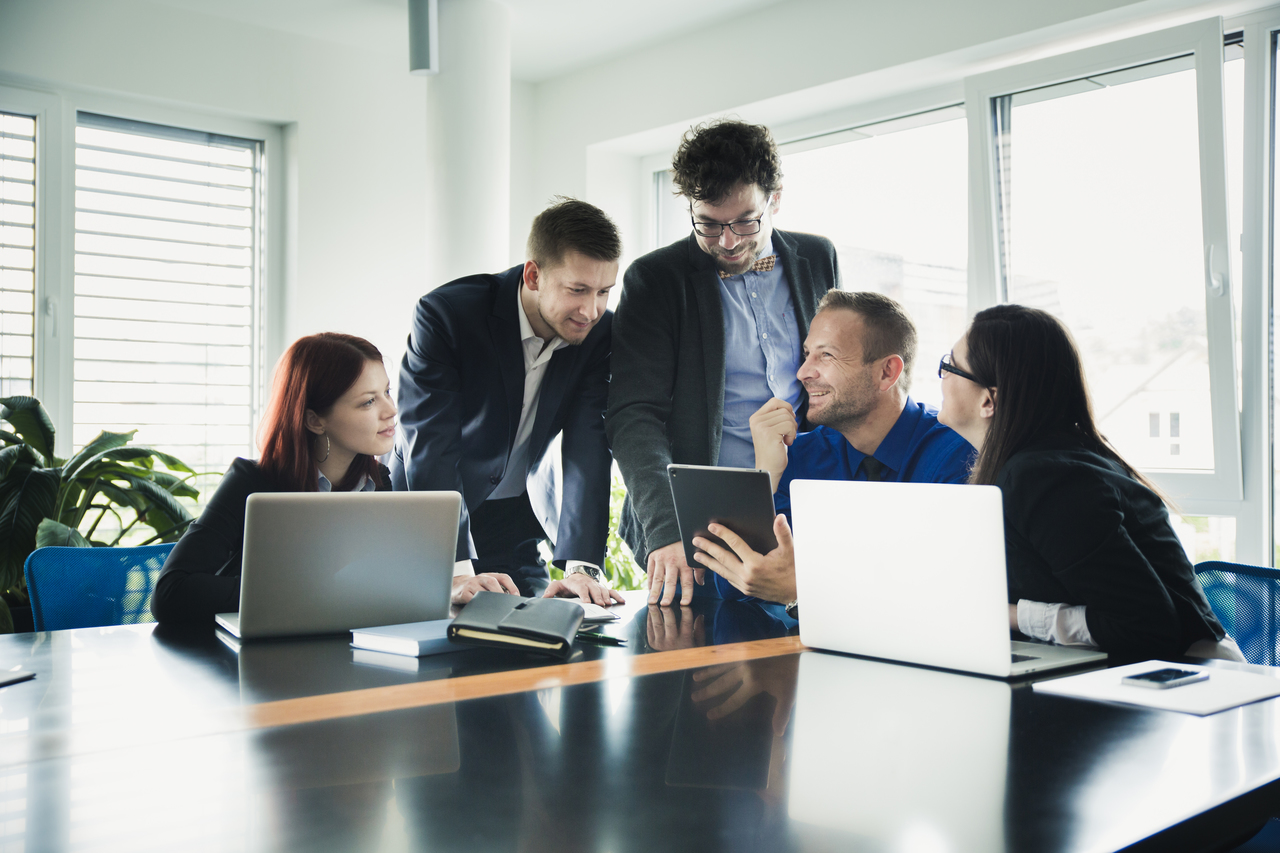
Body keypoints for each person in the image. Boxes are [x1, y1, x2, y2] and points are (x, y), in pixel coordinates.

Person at [608, 119, 839, 607]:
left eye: (745, 222)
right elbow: (634, 413)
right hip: (698, 520)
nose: (728, 242)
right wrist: (667, 529)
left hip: (809, 507)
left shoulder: (818, 256)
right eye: (709, 225)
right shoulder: (655, 280)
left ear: (775, 198)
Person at [936, 304, 1242, 661]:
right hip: (1129, 674)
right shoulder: (1042, 463)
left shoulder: (1045, 478)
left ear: (989, 399)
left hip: (1191, 680)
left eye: (950, 365)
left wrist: (1011, 614)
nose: (941, 375)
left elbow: (1147, 628)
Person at [391, 198, 624, 605]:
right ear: (534, 275)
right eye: (578, 290)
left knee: (537, 641)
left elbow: (588, 440)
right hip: (430, 514)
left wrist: (583, 567)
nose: (592, 310)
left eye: (604, 291)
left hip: (514, 519)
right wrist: (455, 568)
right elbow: (430, 446)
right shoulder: (447, 315)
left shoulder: (598, 332)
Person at [689, 291, 974, 612]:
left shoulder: (956, 454)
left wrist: (803, 590)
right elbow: (735, 583)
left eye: (826, 356)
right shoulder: (799, 454)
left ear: (887, 372)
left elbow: (942, 592)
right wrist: (765, 474)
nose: (803, 372)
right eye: (807, 353)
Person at [151, 333, 405, 625]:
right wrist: (306, 592)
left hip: (340, 643)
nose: (391, 410)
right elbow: (170, 593)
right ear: (314, 420)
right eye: (369, 401)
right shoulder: (251, 482)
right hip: (249, 657)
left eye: (387, 392)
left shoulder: (378, 481)